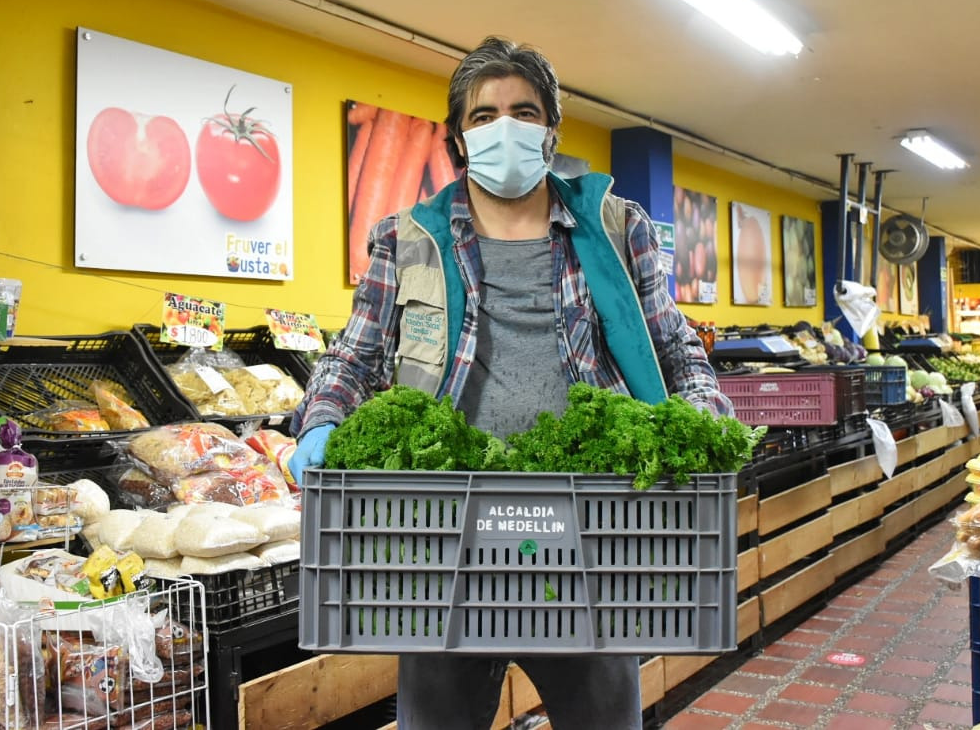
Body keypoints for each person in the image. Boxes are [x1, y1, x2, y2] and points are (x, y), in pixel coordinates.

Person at [289, 36, 732, 730]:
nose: (505, 127)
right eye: (484, 114)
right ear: (459, 138)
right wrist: (320, 421)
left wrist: (703, 416)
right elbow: (355, 355)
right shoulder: (406, 238)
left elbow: (676, 347)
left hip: (590, 536)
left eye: (524, 111)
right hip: (443, 540)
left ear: (552, 130)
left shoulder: (619, 227)